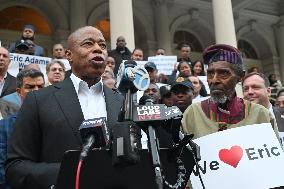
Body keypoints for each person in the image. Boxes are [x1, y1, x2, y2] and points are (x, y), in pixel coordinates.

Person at [5, 26, 124, 189]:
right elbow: (16, 167)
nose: (98, 49)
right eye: (88, 43)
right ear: (69, 55)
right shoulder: (38, 100)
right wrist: (68, 173)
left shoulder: (120, 101)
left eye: (103, 45)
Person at [181, 44, 279, 140]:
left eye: (223, 73)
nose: (214, 80)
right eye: (210, 73)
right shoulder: (192, 113)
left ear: (240, 76)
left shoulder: (261, 115)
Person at [0, 69, 45, 188]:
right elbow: (1, 169)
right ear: (19, 92)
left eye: (40, 86)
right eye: (30, 87)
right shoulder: (4, 127)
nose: (36, 91)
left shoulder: (58, 122)